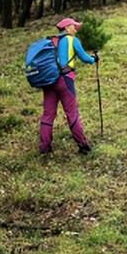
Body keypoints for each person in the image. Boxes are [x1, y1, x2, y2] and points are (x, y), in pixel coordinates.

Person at [38, 17, 98, 155]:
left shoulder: (52, 41)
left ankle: (44, 148)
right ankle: (83, 145)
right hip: (65, 80)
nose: (75, 30)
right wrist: (94, 59)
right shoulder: (72, 40)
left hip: (49, 80)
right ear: (66, 28)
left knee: (48, 114)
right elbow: (84, 57)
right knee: (72, 112)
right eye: (73, 27)